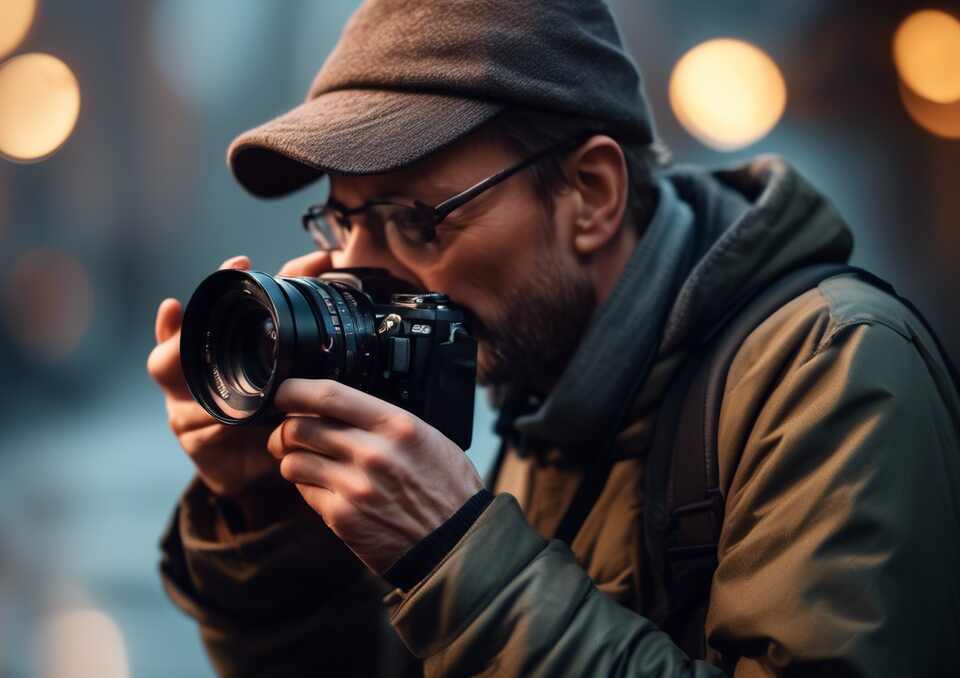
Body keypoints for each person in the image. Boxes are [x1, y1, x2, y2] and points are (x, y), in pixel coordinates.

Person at [147, 0, 960, 676]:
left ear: (593, 194)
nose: (354, 269)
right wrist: (267, 511)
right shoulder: (548, 386)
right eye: (346, 219)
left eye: (414, 220)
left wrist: (457, 559)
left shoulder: (832, 371)